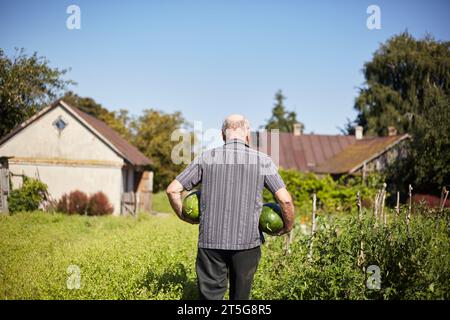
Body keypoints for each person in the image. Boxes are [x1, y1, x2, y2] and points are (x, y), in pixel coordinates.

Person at [166, 114, 295, 300]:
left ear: (222, 134)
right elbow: (285, 200)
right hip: (247, 242)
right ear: (248, 134)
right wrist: (287, 226)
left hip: (211, 241)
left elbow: (172, 190)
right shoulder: (263, 160)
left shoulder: (206, 158)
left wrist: (184, 216)